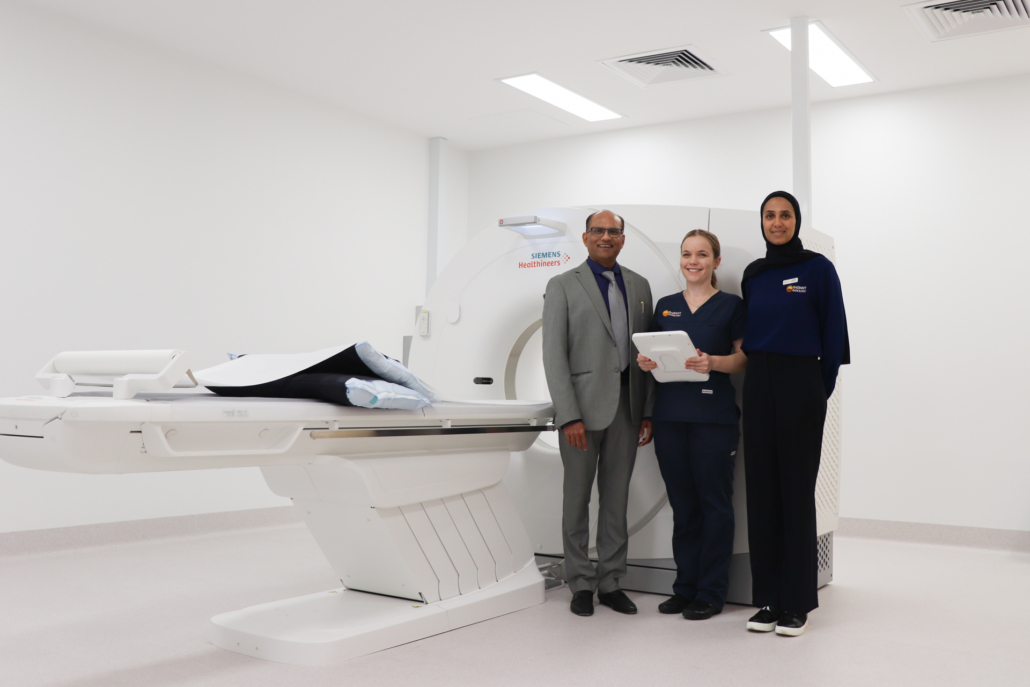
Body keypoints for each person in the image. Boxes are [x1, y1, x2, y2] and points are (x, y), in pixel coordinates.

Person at [740, 191, 849, 637]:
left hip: (802, 384)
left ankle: (798, 603)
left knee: (796, 490)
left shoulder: (818, 269)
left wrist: (813, 392)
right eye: (770, 215)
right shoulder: (754, 274)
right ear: (762, 222)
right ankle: (768, 599)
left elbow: (835, 336)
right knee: (762, 491)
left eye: (785, 215)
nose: (778, 222)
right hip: (759, 382)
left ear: (796, 221)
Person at [542, 209, 655, 617]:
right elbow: (553, 356)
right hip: (581, 414)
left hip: (628, 406)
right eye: (598, 231)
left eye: (613, 231)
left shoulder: (641, 286)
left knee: (616, 500)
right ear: (586, 238)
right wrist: (568, 415)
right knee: (576, 501)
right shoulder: (562, 286)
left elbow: (647, 351)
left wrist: (647, 411)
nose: (606, 236)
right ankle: (579, 583)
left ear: (622, 239)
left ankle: (610, 581)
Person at [637, 229, 747, 621]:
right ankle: (684, 588)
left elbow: (743, 359)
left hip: (713, 419)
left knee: (714, 506)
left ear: (716, 262)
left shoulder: (731, 306)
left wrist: (713, 362)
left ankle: (711, 592)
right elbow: (652, 354)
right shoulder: (665, 307)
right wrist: (645, 363)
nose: (693, 261)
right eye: (687, 254)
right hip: (670, 417)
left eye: (702, 254)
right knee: (684, 508)